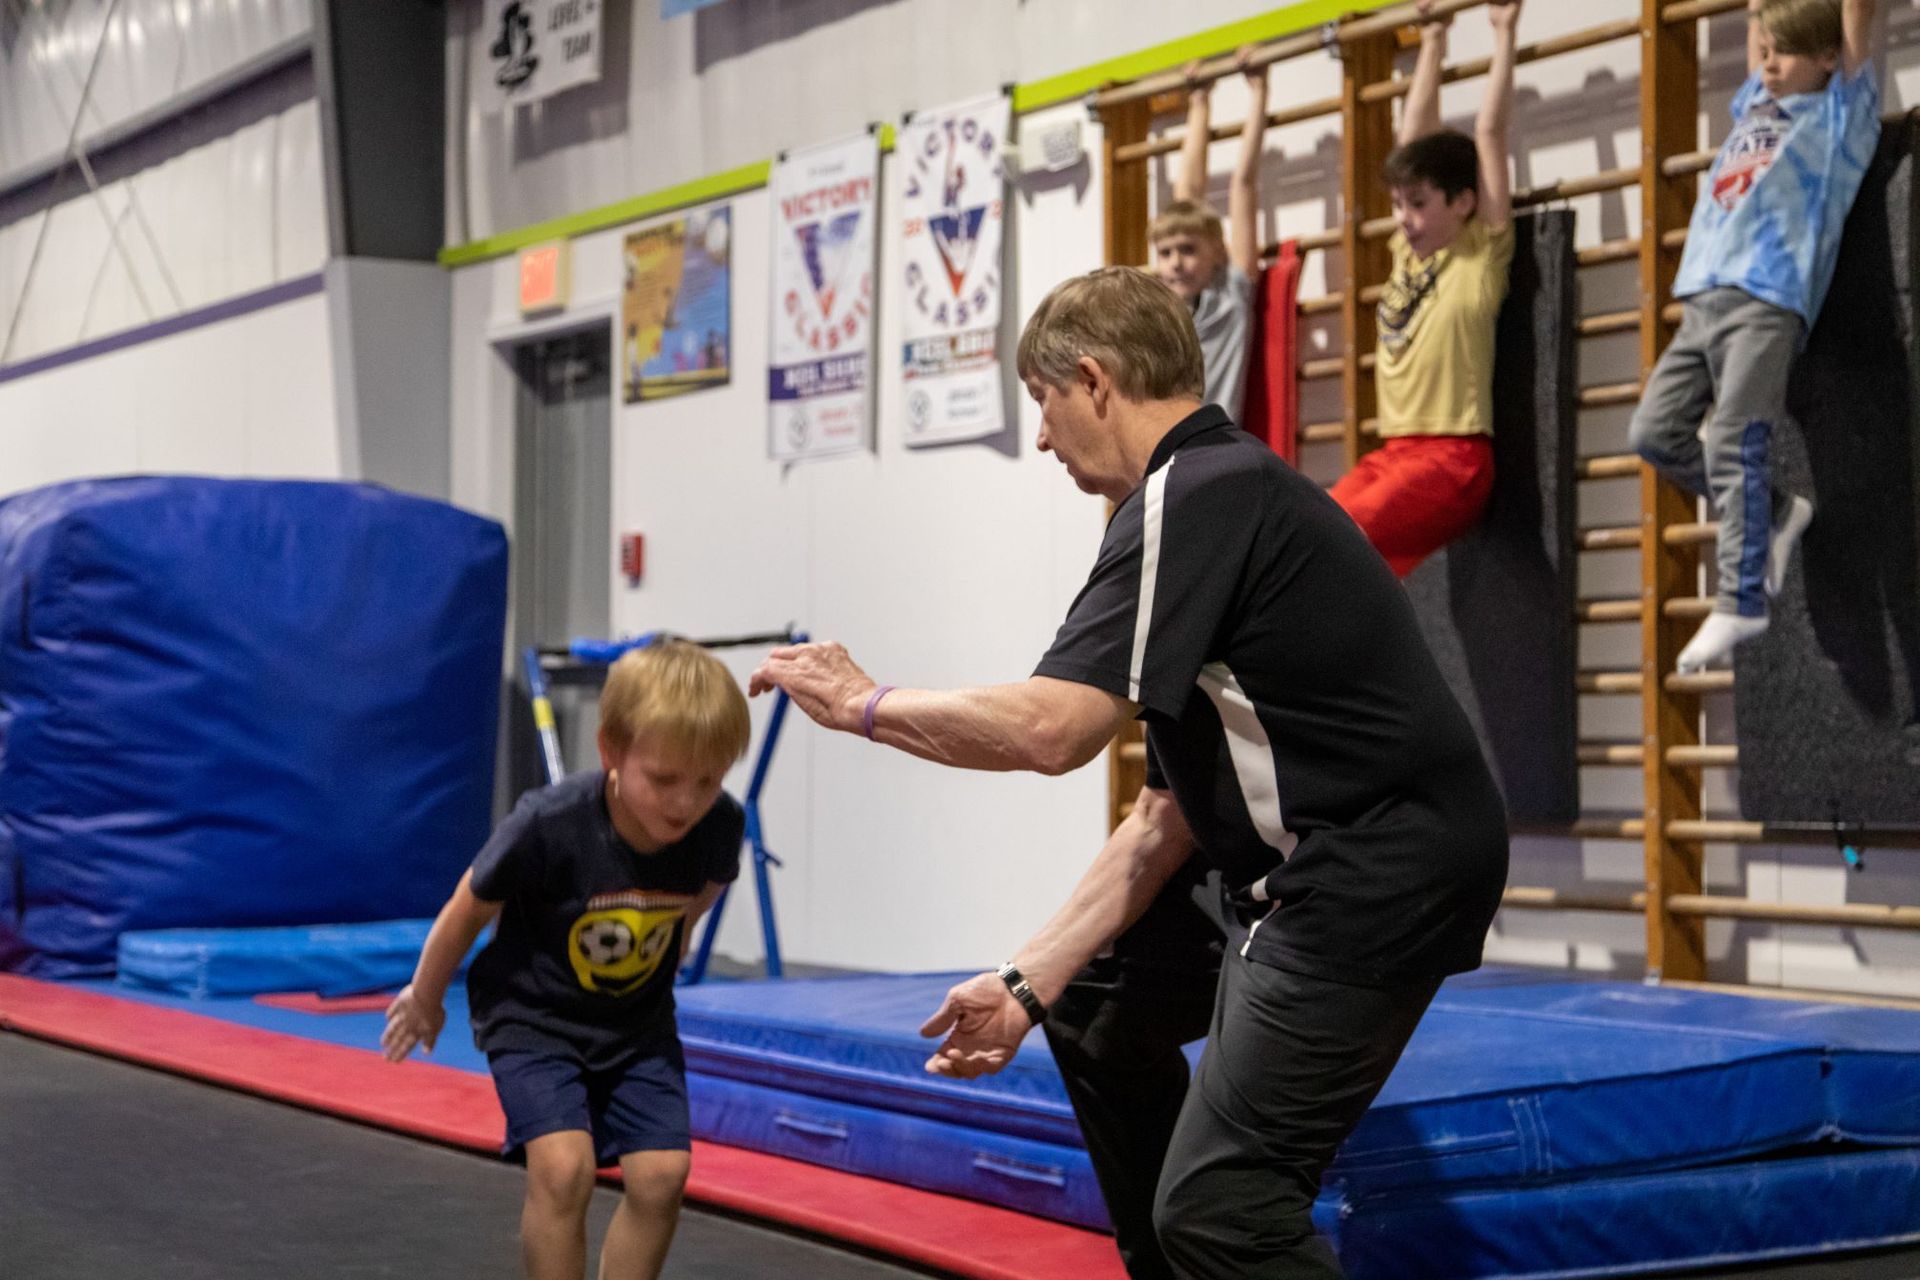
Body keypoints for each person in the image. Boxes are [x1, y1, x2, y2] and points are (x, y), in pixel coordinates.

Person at [751, 267, 1509, 1279]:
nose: (1042, 438)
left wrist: (865, 705)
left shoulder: (1197, 494)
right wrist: (1025, 983)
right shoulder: (1204, 495)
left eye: (1043, 402)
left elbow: (1052, 729)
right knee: (1099, 1007)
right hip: (1338, 848)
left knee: (1224, 1201)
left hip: (1375, 867)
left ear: (1095, 380)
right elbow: (1166, 816)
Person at [382, 640, 750, 1280]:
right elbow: (467, 907)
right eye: (664, 780)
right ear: (611, 751)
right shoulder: (548, 825)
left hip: (636, 1024)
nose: (685, 804)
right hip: (533, 1018)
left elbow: (710, 884)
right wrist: (424, 995)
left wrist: (681, 933)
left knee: (663, 1176)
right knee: (563, 1168)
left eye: (708, 782)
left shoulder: (717, 826)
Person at [1629, 0, 1879, 672]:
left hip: (1768, 296)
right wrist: (1766, 27)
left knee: (1739, 438)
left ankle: (1740, 599)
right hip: (1704, 295)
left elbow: (1858, 14)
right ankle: (1775, 511)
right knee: (1653, 432)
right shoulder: (1754, 103)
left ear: (1828, 58)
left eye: (1784, 53)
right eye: (1764, 49)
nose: (1768, 62)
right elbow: (1761, 18)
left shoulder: (1838, 111)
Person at [1327, 0, 1521, 578]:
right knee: (1311, 526)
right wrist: (1432, 40)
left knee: (1341, 533)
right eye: (1397, 205)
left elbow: (1490, 130)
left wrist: (1503, 31)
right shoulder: (1405, 258)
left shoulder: (1478, 253)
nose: (1404, 219)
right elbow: (1411, 136)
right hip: (1394, 452)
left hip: (1453, 457)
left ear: (1462, 203)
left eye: (1418, 205)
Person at [1148, 47, 1269, 424]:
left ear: (1218, 252)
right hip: (1165, 440)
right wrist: (1199, 102)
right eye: (1165, 253)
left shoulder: (1231, 294)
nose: (1175, 263)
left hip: (1212, 442)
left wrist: (1259, 91)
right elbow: (1187, 194)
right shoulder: (1167, 308)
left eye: (1187, 250)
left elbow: (1243, 183)